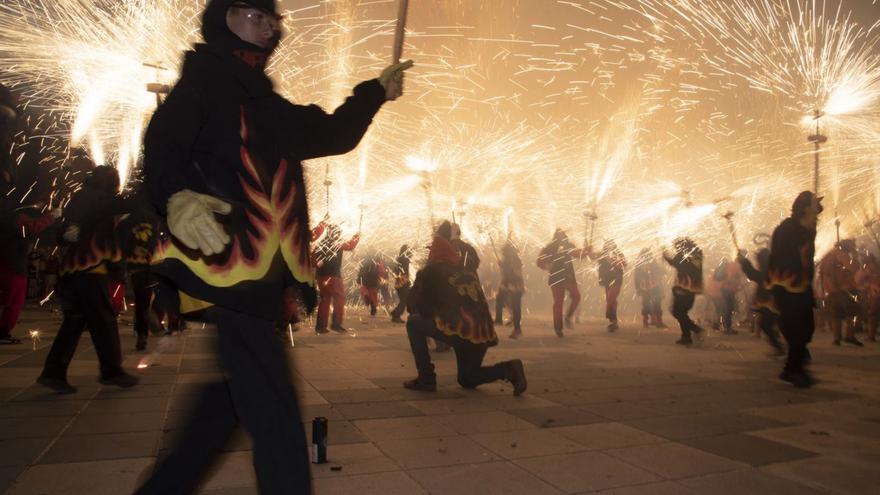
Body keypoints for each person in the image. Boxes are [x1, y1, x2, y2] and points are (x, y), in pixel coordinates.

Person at [135, 0, 412, 492]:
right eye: (252, 15)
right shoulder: (206, 81)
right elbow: (162, 143)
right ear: (224, 18)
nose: (267, 27)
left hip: (261, 273)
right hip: (230, 264)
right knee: (275, 410)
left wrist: (373, 93)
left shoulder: (265, 102)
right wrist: (174, 195)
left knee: (229, 405)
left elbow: (332, 133)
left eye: (272, 19)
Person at [37, 166, 140, 393]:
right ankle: (112, 371)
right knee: (103, 321)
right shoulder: (99, 200)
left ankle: (53, 372)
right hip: (90, 271)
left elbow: (64, 233)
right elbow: (127, 204)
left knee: (74, 323)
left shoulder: (80, 198)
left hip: (71, 273)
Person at [403, 221, 527, 395]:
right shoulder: (468, 269)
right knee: (467, 378)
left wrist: (418, 290)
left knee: (413, 323)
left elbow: (419, 308)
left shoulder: (431, 271)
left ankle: (426, 378)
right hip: (481, 333)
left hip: (459, 330)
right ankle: (509, 369)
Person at [768, 191, 822, 388]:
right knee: (797, 331)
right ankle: (792, 369)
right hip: (787, 287)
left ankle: (796, 361)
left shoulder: (807, 229)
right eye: (814, 205)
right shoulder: (787, 229)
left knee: (807, 330)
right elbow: (781, 259)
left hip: (802, 287)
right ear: (806, 207)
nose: (818, 209)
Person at [537, 229, 586, 337]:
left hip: (567, 277)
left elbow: (577, 254)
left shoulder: (566, 245)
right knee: (559, 302)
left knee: (575, 296)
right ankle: (559, 327)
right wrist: (547, 267)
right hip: (558, 277)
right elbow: (539, 261)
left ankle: (567, 318)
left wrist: (586, 251)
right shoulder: (550, 247)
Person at [737, 248, 785, 355]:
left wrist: (744, 262)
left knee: (768, 325)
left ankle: (782, 349)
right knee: (770, 325)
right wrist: (744, 261)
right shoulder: (772, 269)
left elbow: (753, 274)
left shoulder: (768, 271)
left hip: (771, 304)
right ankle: (782, 348)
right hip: (773, 303)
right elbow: (753, 274)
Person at [314, 224, 360, 333]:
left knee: (325, 300)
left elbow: (313, 259)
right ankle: (336, 324)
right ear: (336, 233)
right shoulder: (337, 244)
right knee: (339, 298)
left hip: (321, 276)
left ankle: (321, 326)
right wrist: (356, 237)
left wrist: (320, 265)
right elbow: (350, 245)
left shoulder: (320, 244)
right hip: (334, 276)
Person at [818, 239, 863, 347]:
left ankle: (836, 338)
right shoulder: (842, 255)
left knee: (836, 316)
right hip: (845, 290)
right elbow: (854, 267)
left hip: (831, 291)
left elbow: (821, 273)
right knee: (851, 314)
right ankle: (849, 336)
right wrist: (855, 257)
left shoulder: (827, 256)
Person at [663, 237, 704, 346]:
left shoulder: (684, 255)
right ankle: (686, 336)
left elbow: (678, 264)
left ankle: (695, 330)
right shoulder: (697, 254)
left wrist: (666, 257)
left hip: (683, 288)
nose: (676, 248)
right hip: (692, 289)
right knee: (681, 313)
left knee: (678, 312)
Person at [587, 240, 627, 332]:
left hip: (616, 279)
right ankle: (613, 321)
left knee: (610, 299)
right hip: (607, 279)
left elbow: (624, 264)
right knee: (611, 300)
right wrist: (588, 249)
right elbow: (592, 257)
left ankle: (611, 316)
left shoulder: (618, 254)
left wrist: (613, 261)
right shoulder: (602, 254)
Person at [496, 241, 525, 338]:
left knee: (516, 306)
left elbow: (515, 273)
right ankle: (499, 320)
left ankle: (516, 329)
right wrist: (502, 266)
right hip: (510, 284)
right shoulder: (510, 259)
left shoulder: (513, 260)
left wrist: (504, 266)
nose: (503, 254)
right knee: (501, 299)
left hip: (515, 284)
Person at [634, 248, 666, 328]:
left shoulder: (645, 263)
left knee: (651, 303)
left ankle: (651, 321)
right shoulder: (641, 264)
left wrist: (638, 288)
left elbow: (660, 272)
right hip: (647, 287)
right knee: (649, 304)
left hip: (651, 286)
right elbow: (637, 277)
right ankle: (653, 321)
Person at [856, 250, 880, 342]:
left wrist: (866, 285)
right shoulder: (877, 267)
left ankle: (871, 336)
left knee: (872, 315)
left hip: (875, 293)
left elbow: (859, 280)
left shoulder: (869, 268)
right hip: (875, 292)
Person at [716, 257, 745, 334]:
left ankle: (725, 326)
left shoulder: (731, 265)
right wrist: (736, 283)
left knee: (727, 308)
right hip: (728, 289)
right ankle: (727, 328)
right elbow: (730, 278)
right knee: (728, 309)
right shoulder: (735, 266)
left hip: (726, 289)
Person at [390, 244, 411, 324]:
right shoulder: (404, 259)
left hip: (400, 282)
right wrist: (405, 281)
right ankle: (396, 315)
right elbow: (403, 271)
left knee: (404, 300)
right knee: (404, 300)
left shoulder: (400, 259)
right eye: (408, 250)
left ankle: (395, 314)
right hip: (402, 282)